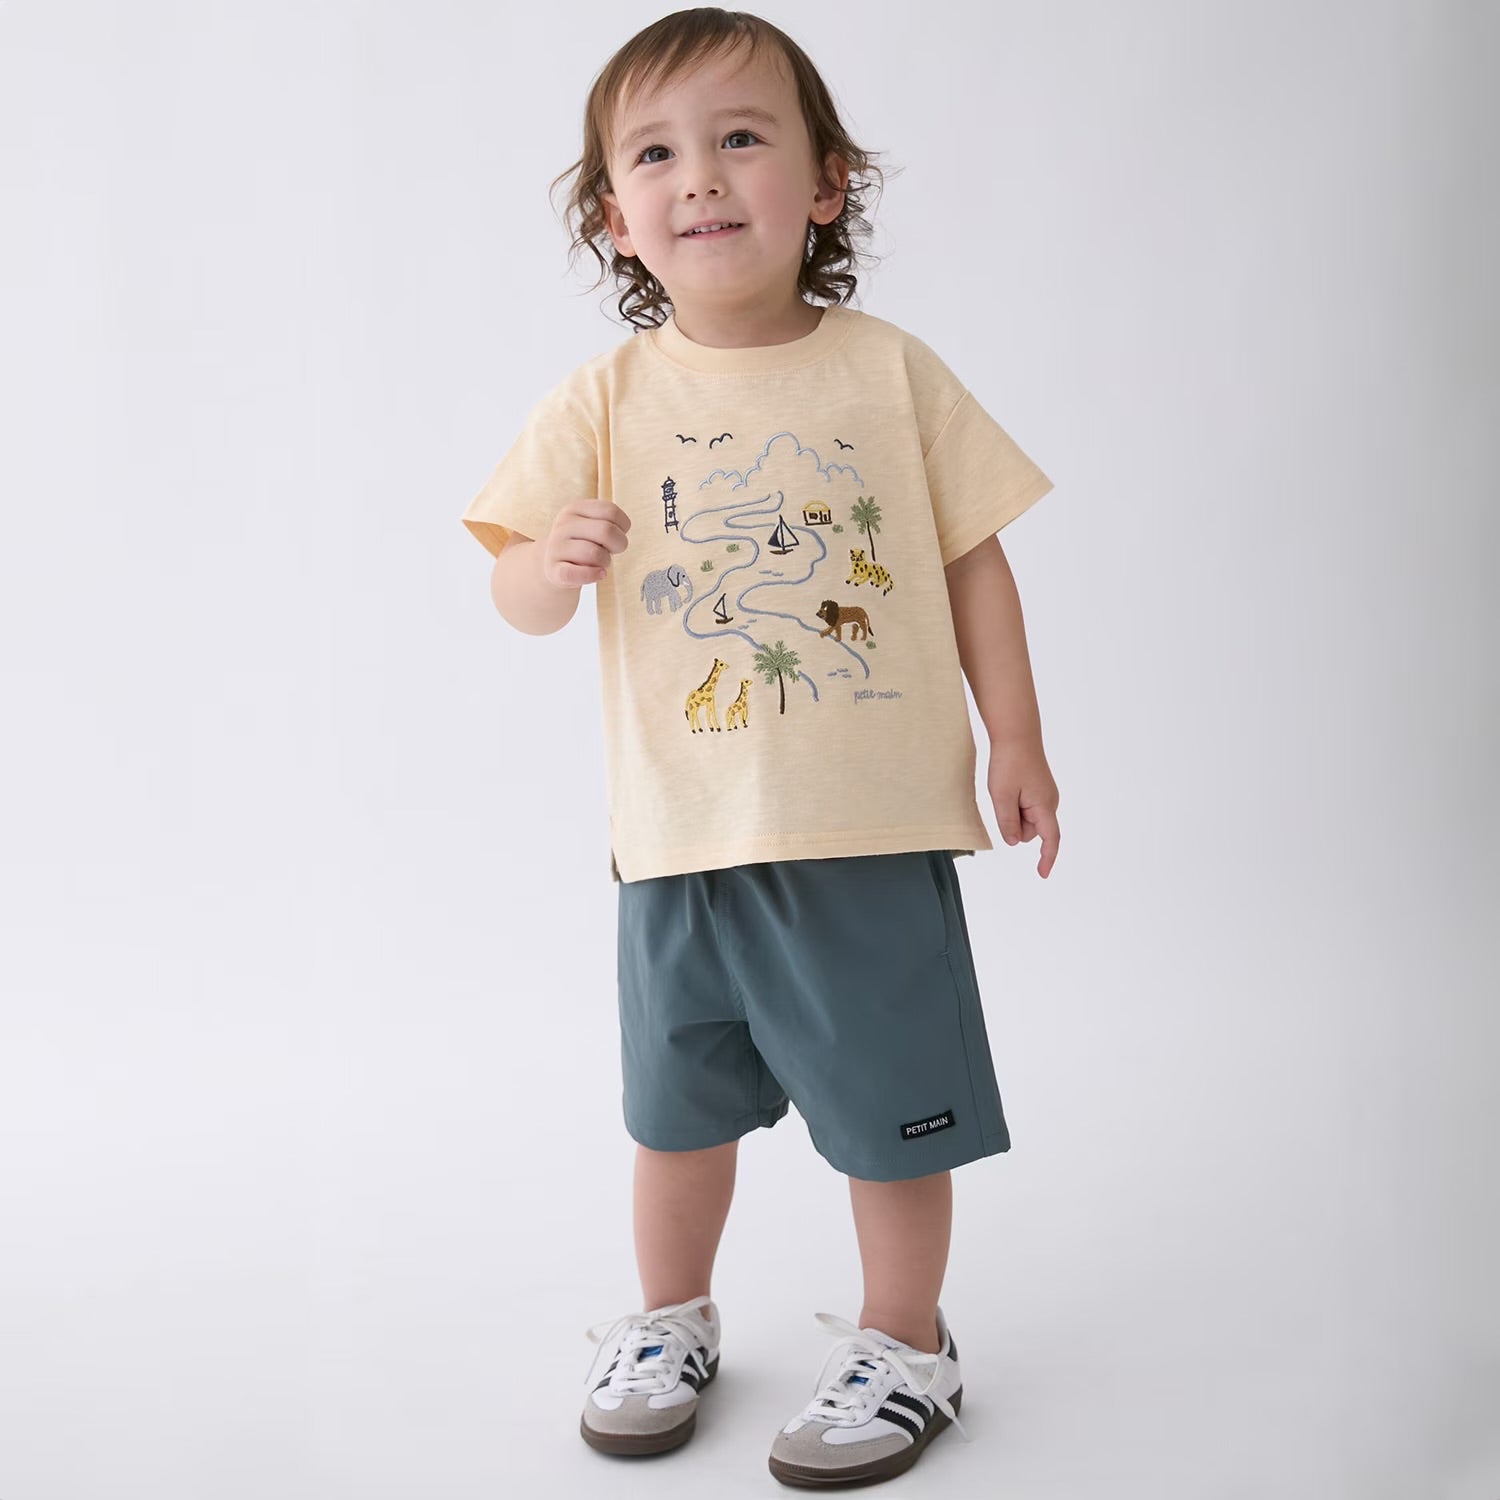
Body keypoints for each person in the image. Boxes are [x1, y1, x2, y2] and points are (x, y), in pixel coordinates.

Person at [460, 8, 1060, 1488]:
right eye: (656, 155)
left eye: (741, 137)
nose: (703, 176)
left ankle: (908, 1340)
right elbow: (512, 594)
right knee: (675, 1117)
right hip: (677, 838)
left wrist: (1017, 736)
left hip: (865, 827)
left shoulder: (890, 373)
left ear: (827, 182)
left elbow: (974, 560)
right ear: (617, 217)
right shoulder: (605, 399)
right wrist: (549, 563)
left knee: (892, 1120)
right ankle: (670, 1318)